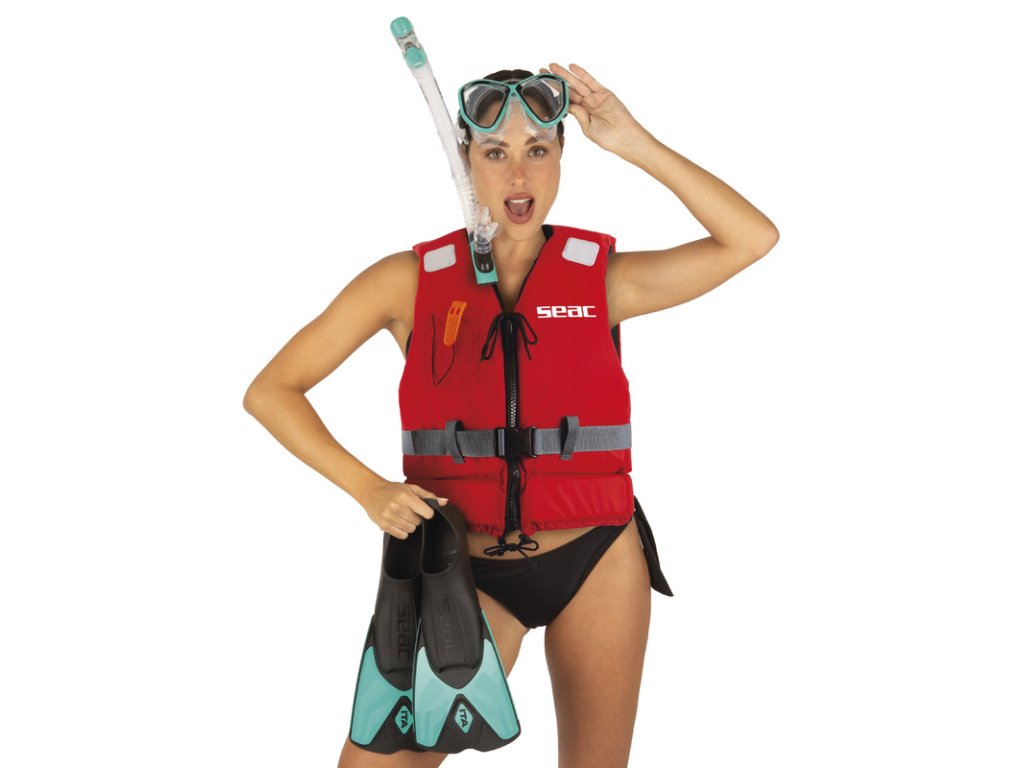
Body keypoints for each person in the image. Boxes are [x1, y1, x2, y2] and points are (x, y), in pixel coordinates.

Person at [243, 62, 778, 768]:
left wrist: (633, 140)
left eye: (538, 150)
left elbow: (751, 238)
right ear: (465, 159)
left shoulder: (604, 280)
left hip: (597, 558)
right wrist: (368, 489)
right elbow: (272, 390)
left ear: (561, 159)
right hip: (460, 569)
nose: (519, 175)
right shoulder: (406, 281)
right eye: (496, 152)